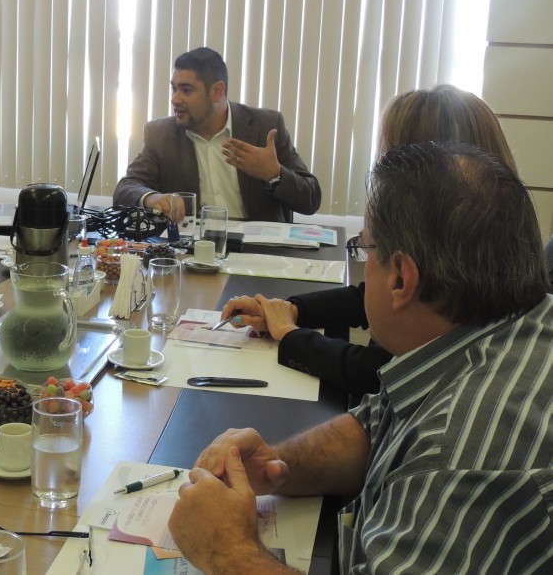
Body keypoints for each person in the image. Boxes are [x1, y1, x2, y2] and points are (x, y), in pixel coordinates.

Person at [169, 141, 553, 574]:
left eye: (365, 250)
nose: (363, 266)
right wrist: (277, 462)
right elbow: (374, 427)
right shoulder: (493, 332)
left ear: (401, 279)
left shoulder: (457, 452)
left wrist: (227, 549)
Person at [221, 85, 519, 399]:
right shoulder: (489, 239)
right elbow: (369, 298)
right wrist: (291, 310)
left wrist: (290, 335)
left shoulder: (451, 254)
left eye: (387, 151)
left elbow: (379, 372)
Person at [113, 47, 320, 222]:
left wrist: (274, 174)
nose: (175, 99)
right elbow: (126, 188)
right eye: (174, 89)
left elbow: (311, 199)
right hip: (192, 250)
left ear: (217, 91)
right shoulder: (161, 134)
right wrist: (151, 198)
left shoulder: (264, 127)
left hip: (258, 249)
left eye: (186, 90)